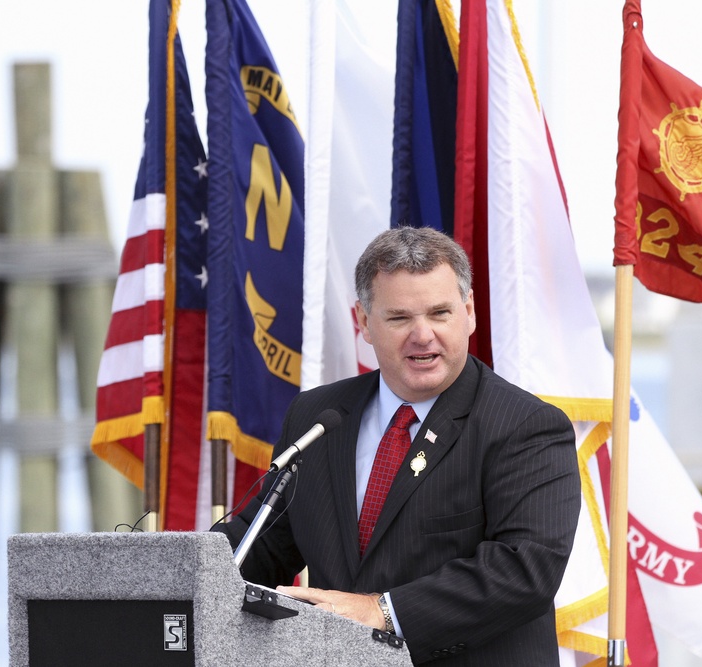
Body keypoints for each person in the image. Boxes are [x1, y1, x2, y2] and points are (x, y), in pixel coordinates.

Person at [217, 226, 580, 665]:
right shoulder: (317, 417)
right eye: (400, 318)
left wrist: (381, 611)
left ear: (469, 313)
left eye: (440, 313)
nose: (422, 335)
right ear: (363, 323)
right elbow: (260, 545)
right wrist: (176, 569)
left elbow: (525, 570)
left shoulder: (526, 426)